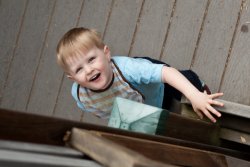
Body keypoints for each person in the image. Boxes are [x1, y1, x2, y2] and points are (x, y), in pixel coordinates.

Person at [56, 27, 224, 123]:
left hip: (159, 87)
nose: (88, 70)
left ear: (106, 54)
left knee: (182, 82)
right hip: (142, 107)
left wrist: (194, 95)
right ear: (72, 78)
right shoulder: (80, 95)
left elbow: (165, 74)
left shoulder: (128, 69)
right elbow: (96, 109)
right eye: (78, 70)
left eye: (91, 59)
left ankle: (198, 87)